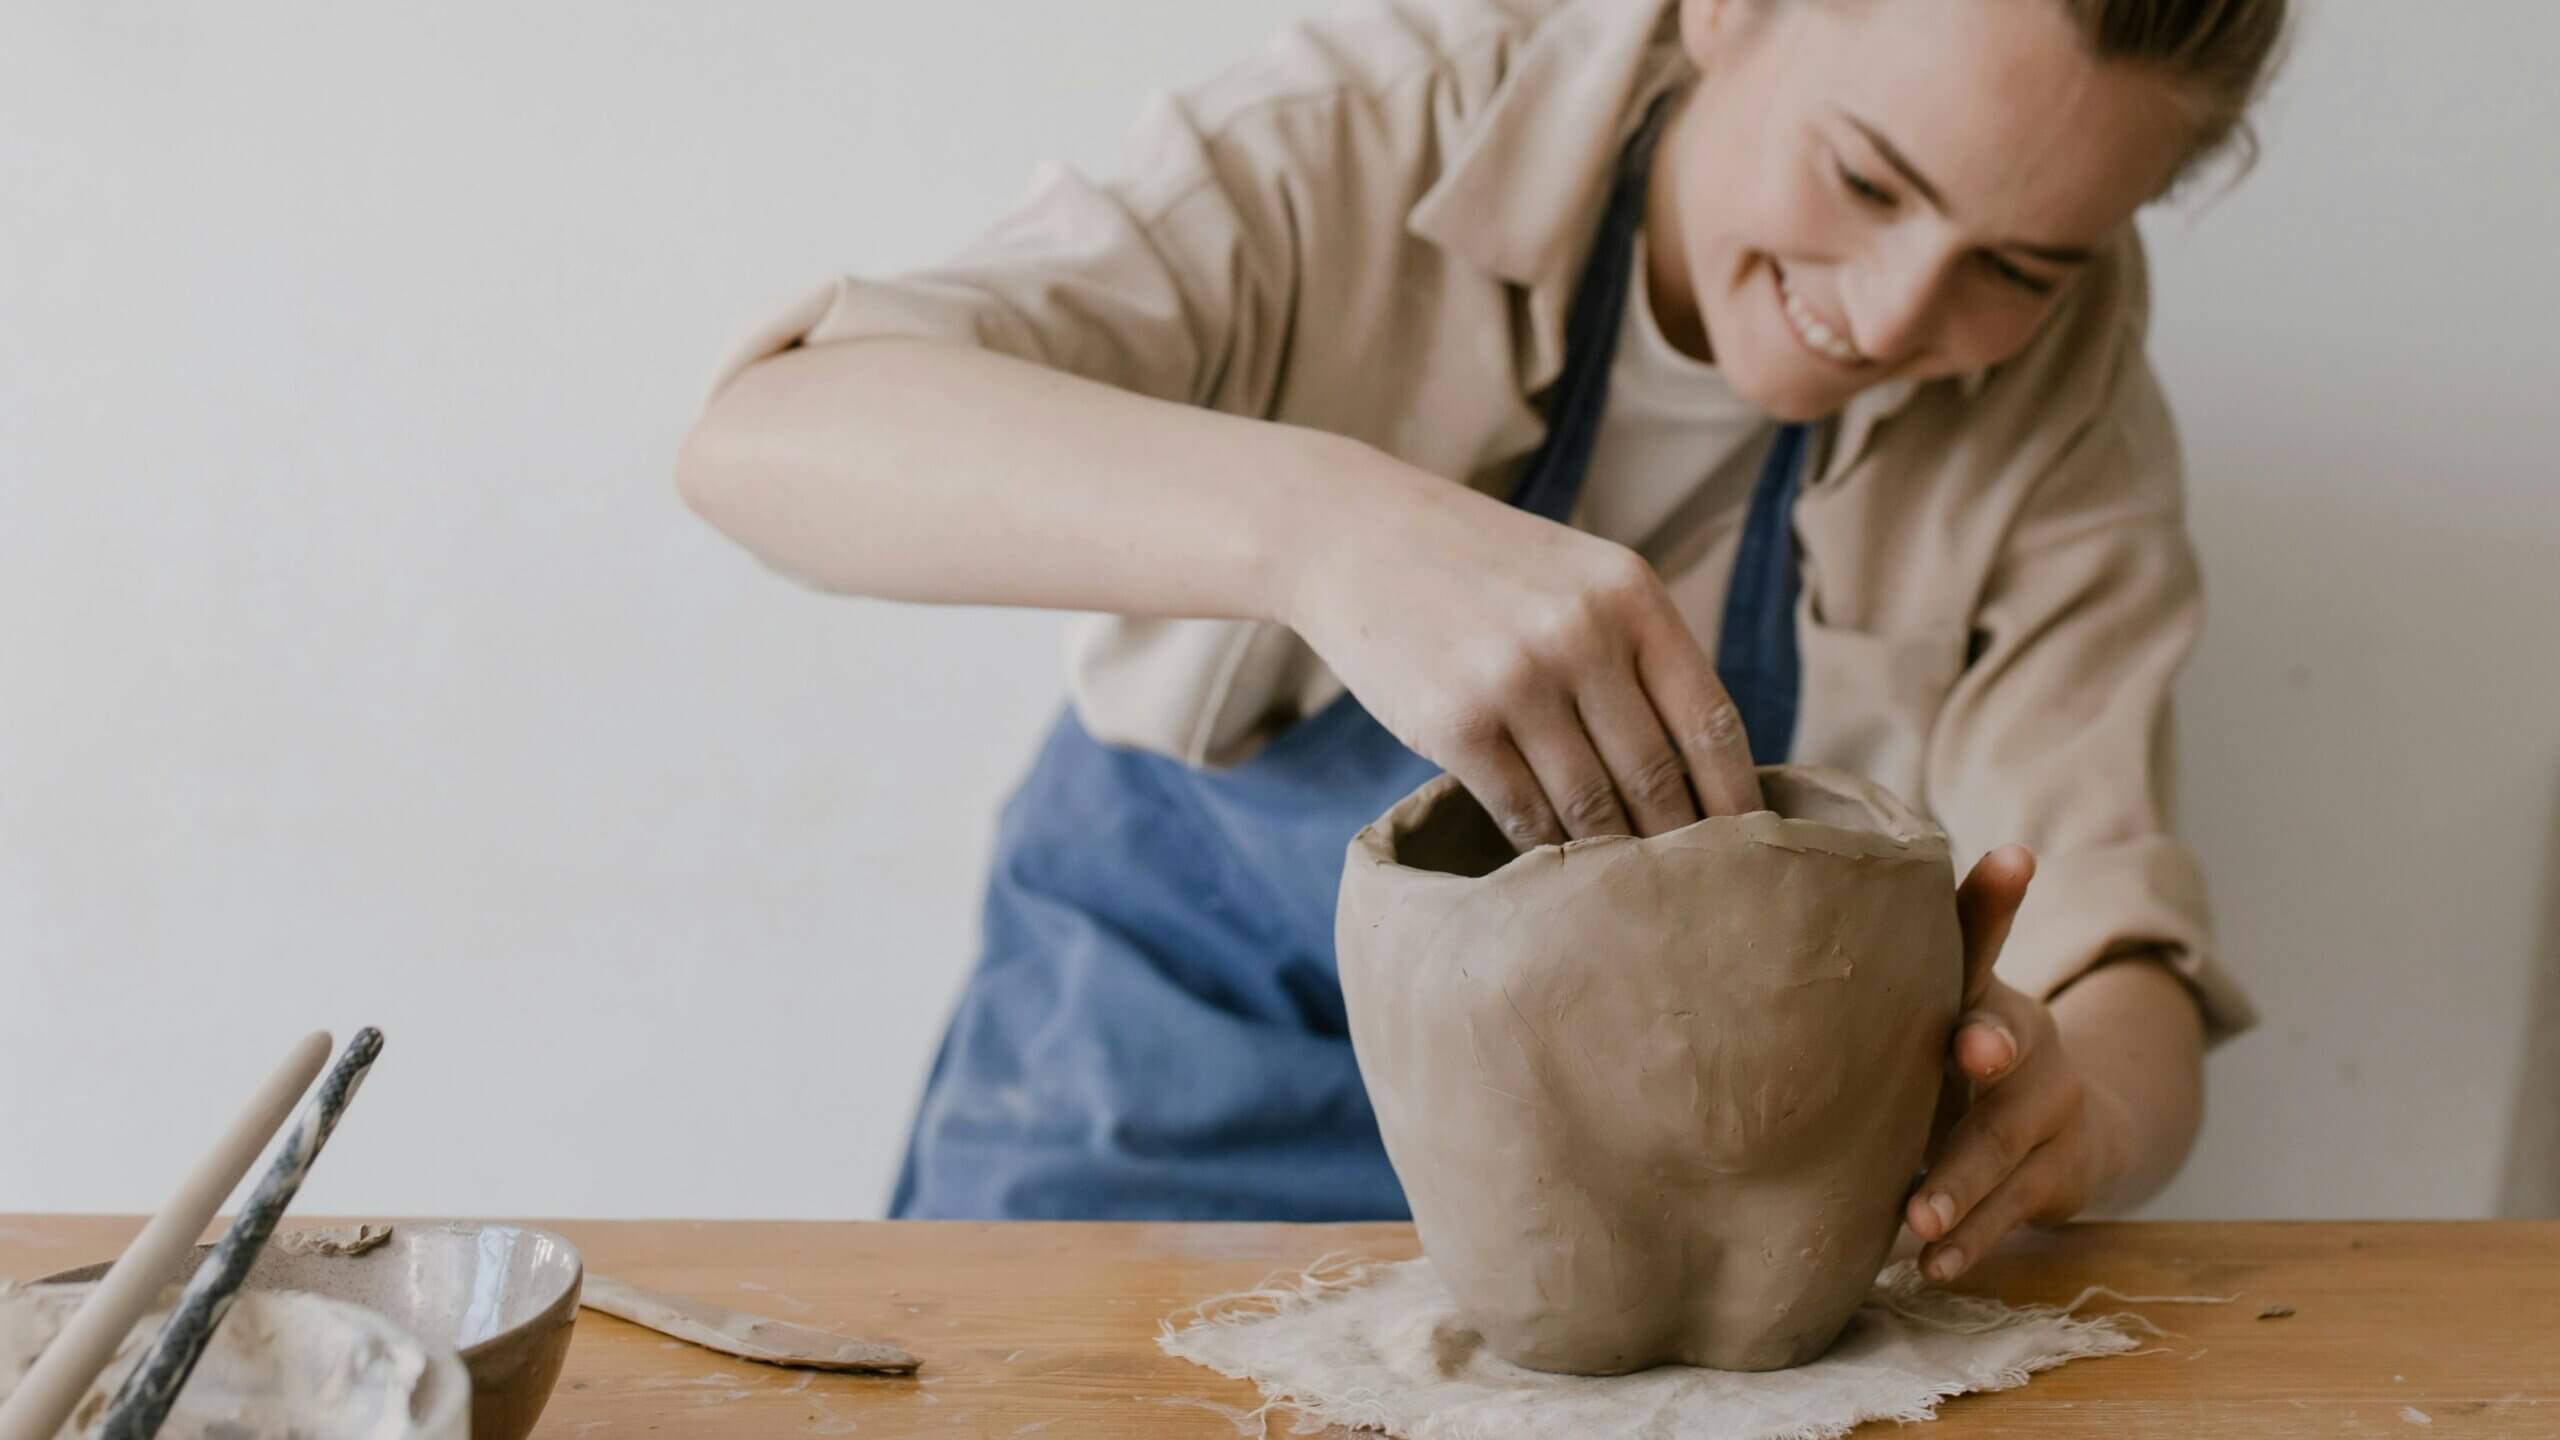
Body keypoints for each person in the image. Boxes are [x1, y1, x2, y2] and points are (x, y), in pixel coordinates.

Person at [676, 0, 2284, 1284]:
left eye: (2020, 266)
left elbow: (2116, 946)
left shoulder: (2068, 397)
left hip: (1646, 1222)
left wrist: (2088, 1107)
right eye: (1868, 179)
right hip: (1133, 1108)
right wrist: (1326, 528)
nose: (1887, 312)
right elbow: (764, 436)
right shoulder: (1365, 133)